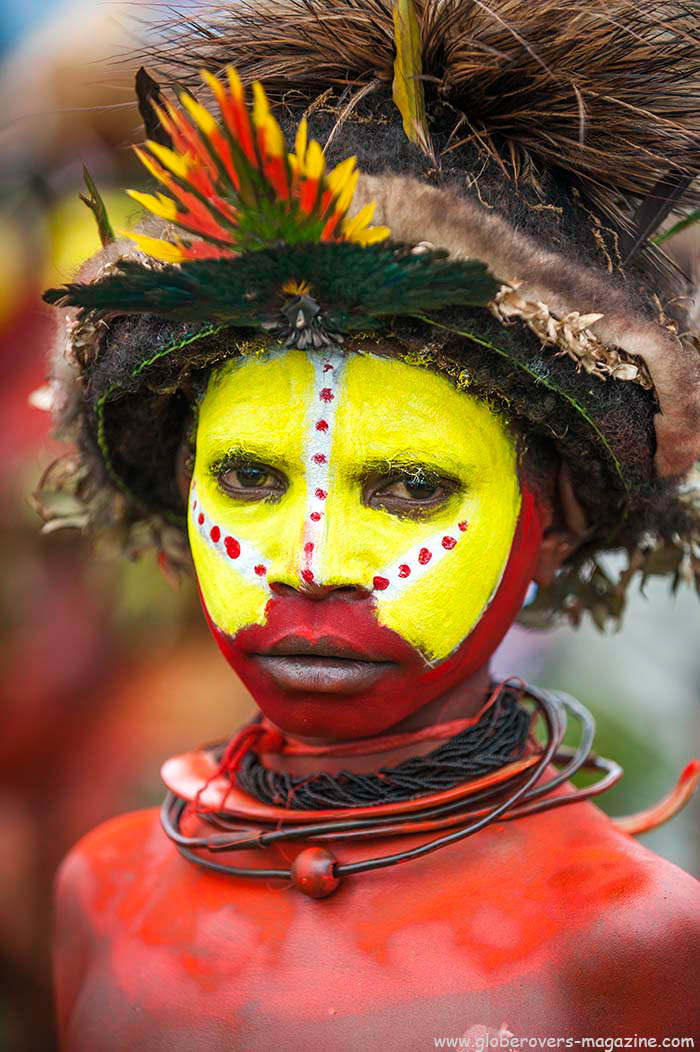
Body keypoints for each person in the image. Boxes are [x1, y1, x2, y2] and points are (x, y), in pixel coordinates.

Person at [41, 2, 700, 1046]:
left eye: (407, 487)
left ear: (556, 525)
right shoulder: (97, 892)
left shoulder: (638, 943)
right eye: (251, 477)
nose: (309, 563)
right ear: (181, 485)